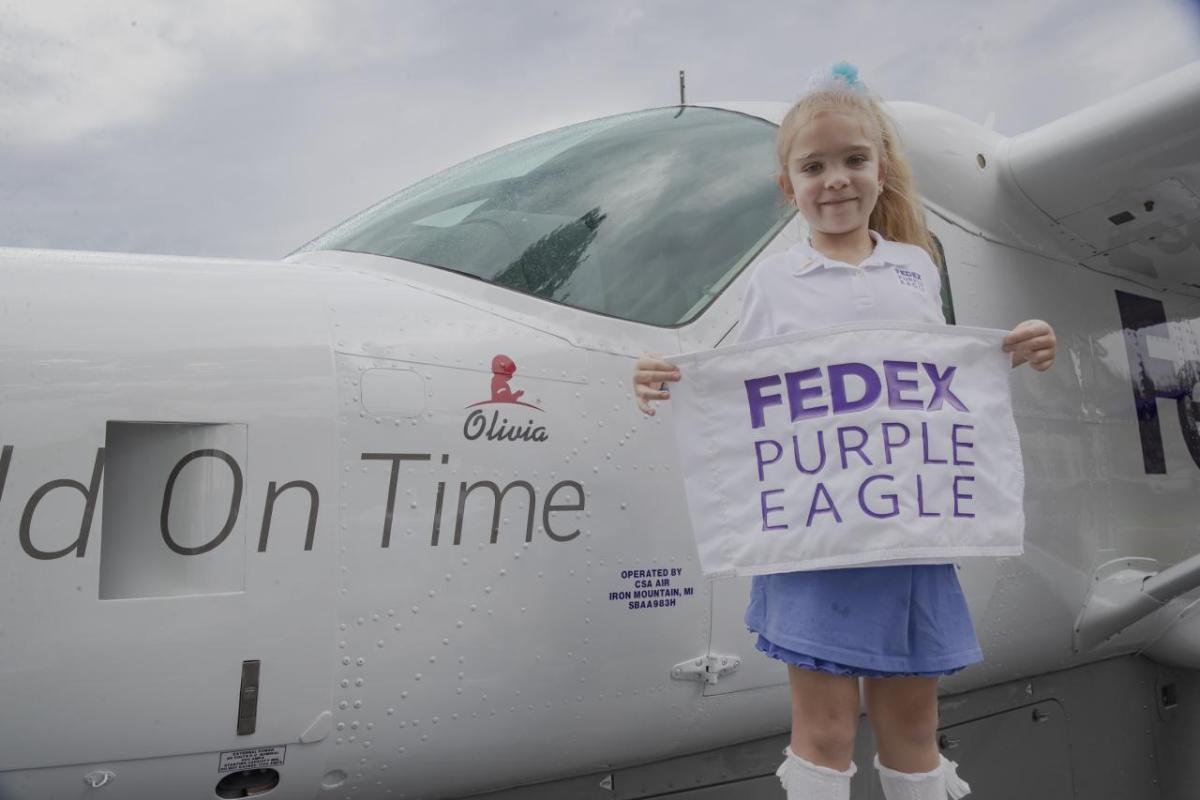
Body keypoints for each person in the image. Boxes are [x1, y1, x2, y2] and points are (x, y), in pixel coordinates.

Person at [631, 62, 1056, 800]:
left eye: (854, 161)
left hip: (907, 532)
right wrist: (667, 374)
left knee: (914, 733)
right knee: (825, 734)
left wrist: (1015, 348)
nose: (836, 180)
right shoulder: (772, 281)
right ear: (787, 186)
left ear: (882, 172)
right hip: (818, 538)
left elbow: (934, 383)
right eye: (814, 166)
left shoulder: (916, 270)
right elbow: (739, 385)